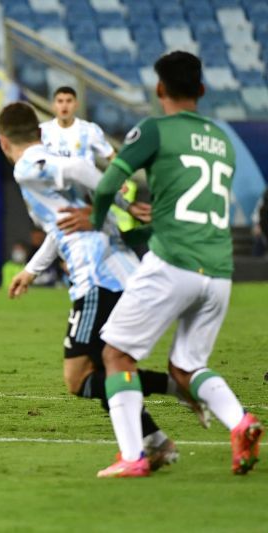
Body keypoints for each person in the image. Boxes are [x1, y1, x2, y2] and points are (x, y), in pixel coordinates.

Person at [91, 51, 263, 478]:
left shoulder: (154, 129)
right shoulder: (221, 140)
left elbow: (109, 183)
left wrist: (95, 225)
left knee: (115, 355)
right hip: (219, 269)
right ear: (202, 90)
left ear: (159, 89)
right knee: (187, 366)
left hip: (172, 262)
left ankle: (133, 457)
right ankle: (240, 422)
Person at [0, 101, 187, 471]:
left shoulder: (27, 167)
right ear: (38, 132)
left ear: (4, 142)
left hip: (96, 277)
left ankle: (183, 389)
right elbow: (63, 224)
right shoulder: (45, 171)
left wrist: (123, 205)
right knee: (106, 367)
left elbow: (83, 166)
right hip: (113, 271)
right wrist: (33, 271)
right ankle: (156, 441)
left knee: (78, 378)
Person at [41, 86, 139, 232]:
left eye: (69, 101)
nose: (64, 106)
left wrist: (121, 179)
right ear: (53, 105)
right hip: (56, 195)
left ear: (76, 104)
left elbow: (111, 156)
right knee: (60, 238)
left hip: (85, 197)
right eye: (60, 101)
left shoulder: (89, 130)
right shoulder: (43, 131)